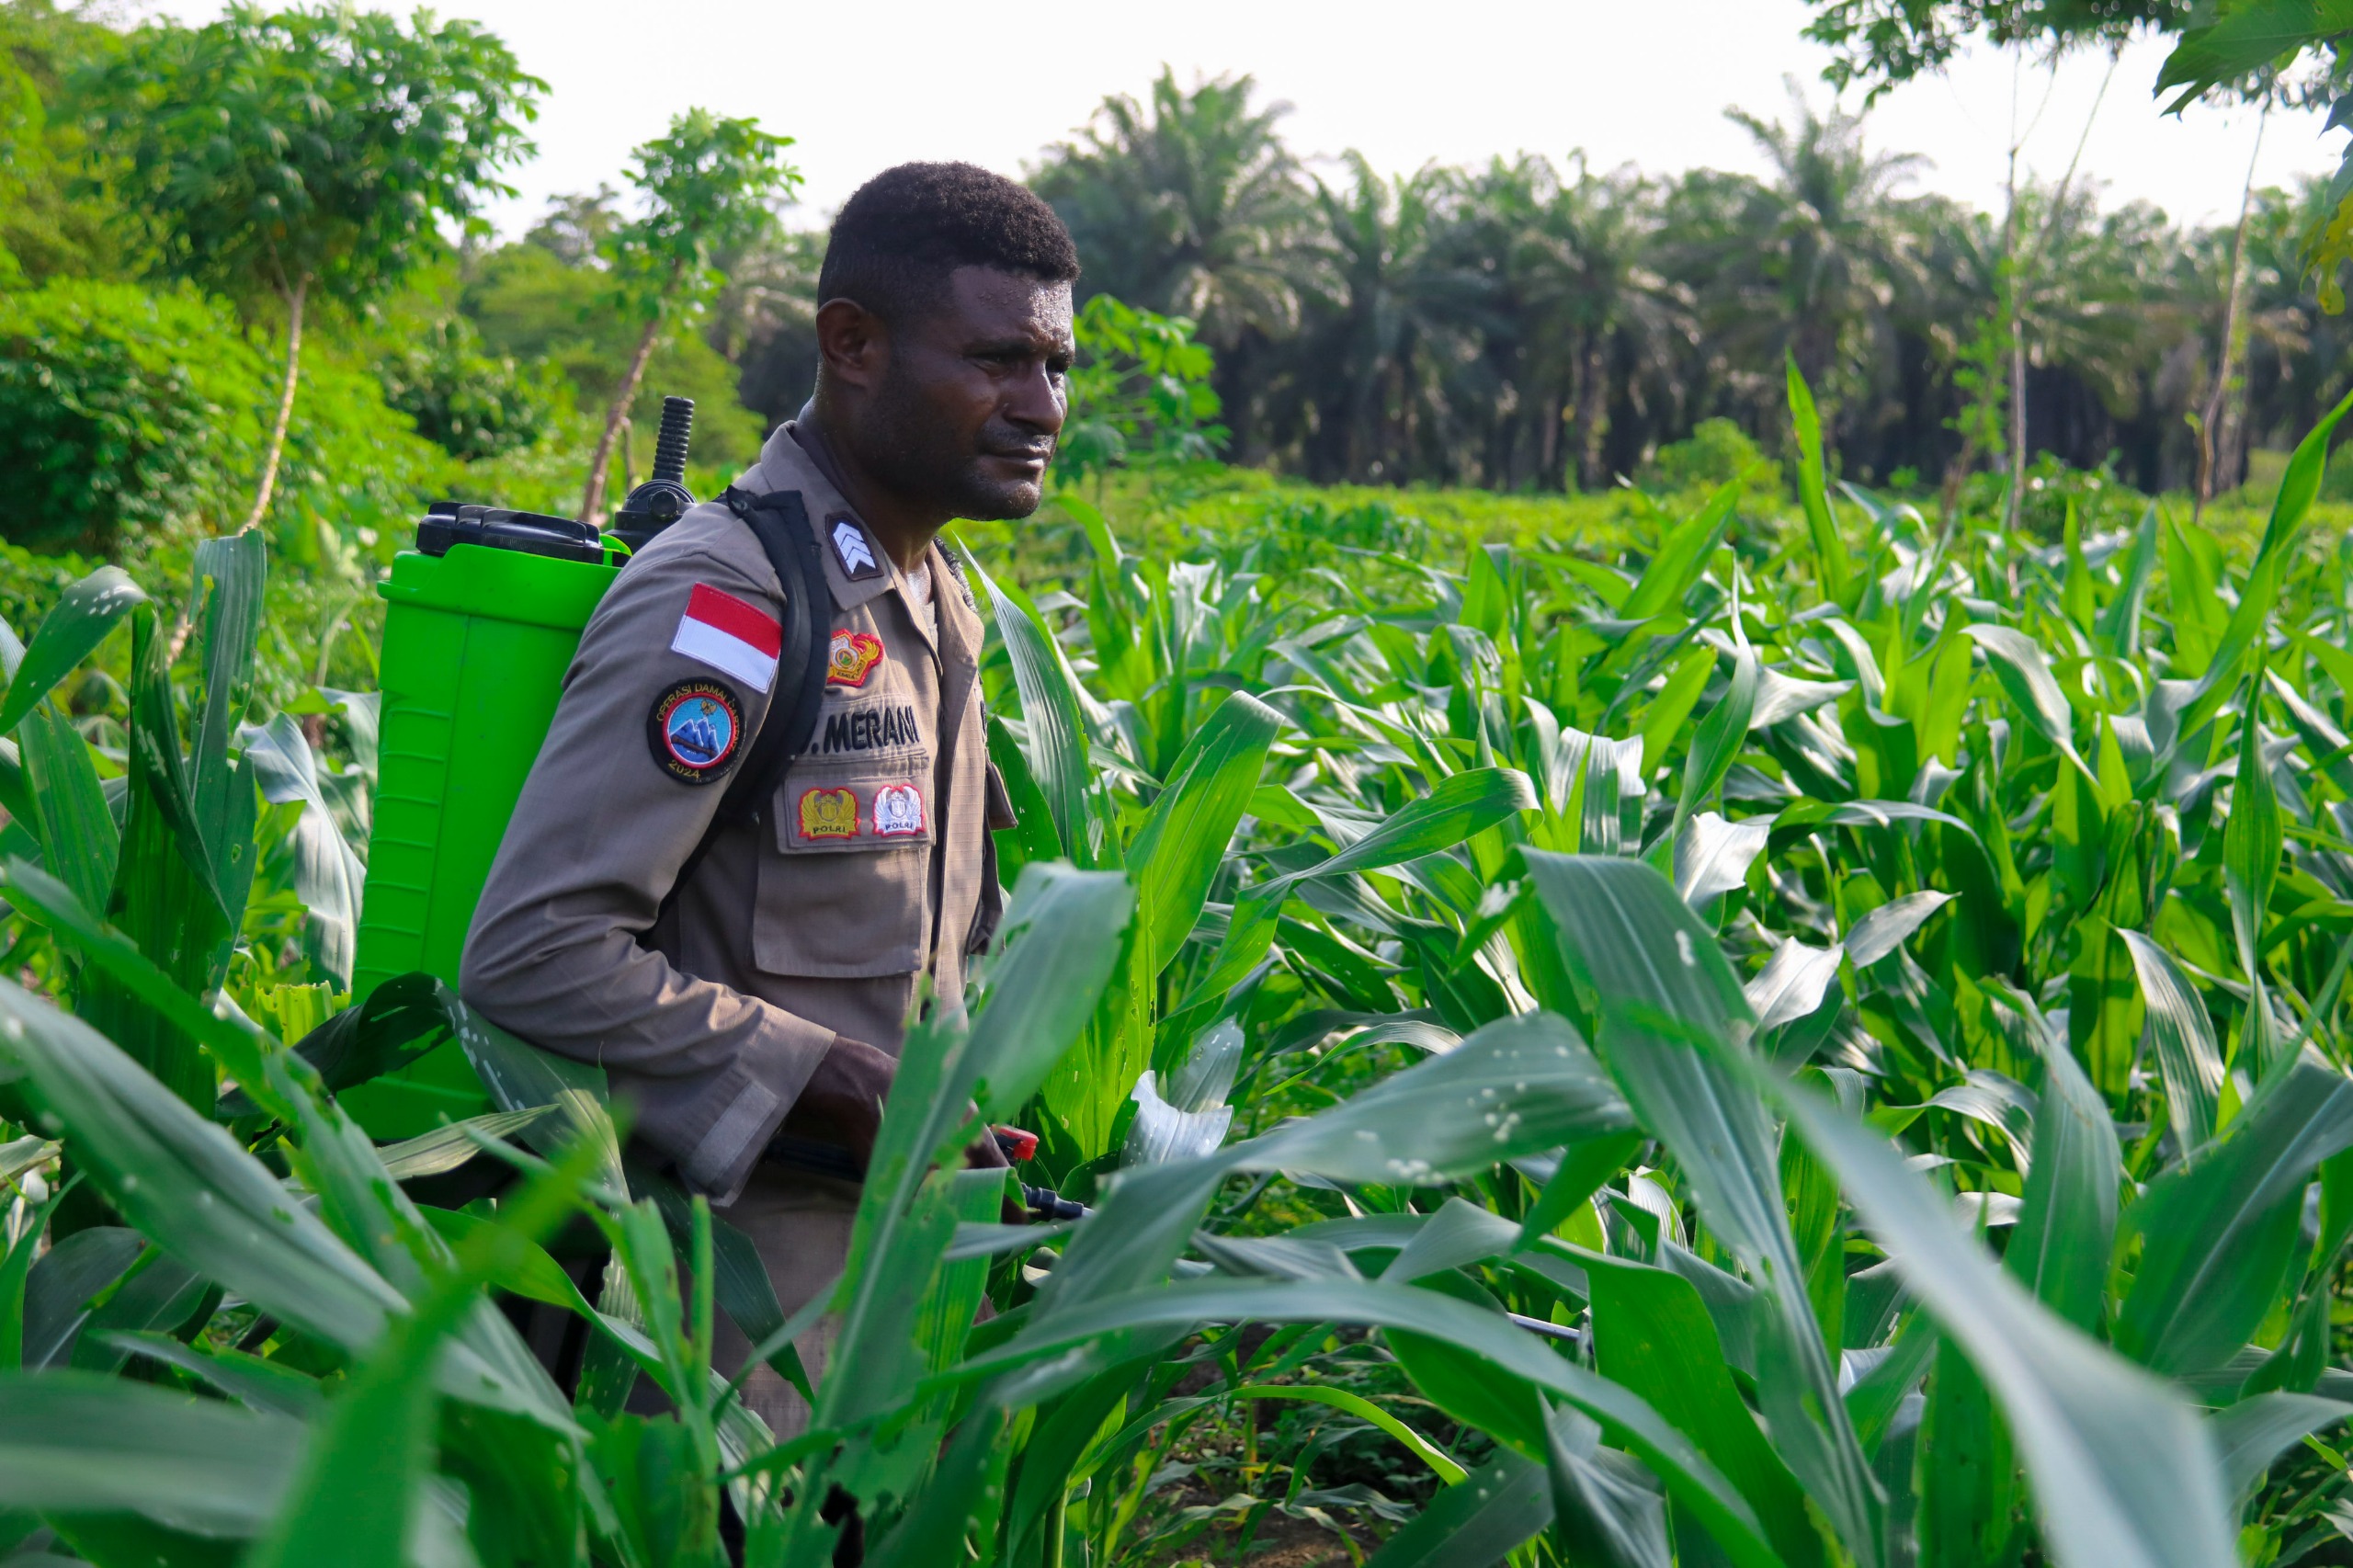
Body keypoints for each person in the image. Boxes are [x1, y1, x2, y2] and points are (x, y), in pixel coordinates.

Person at [460, 161, 1076, 1437]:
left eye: (1057, 366)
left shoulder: (935, 600)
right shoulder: (727, 601)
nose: (1040, 406)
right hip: (714, 1332)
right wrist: (827, 1079)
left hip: (876, 1303)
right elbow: (533, 950)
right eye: (996, 360)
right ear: (852, 344)